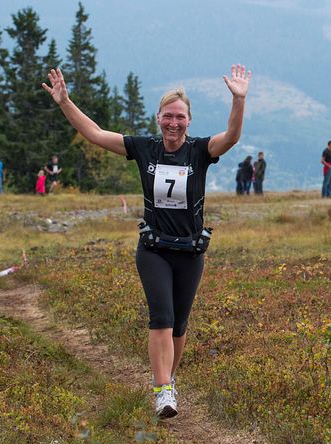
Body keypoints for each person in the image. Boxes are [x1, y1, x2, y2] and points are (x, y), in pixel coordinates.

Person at [42, 64, 251, 419]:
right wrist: (64, 102)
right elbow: (94, 133)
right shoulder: (143, 148)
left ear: (189, 121)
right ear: (158, 118)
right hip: (153, 249)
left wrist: (239, 100)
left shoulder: (201, 151)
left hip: (190, 251)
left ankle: (169, 379)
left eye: (180, 117)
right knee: (162, 319)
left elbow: (231, 136)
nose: (173, 123)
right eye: (168, 116)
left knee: (180, 325)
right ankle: (162, 391)